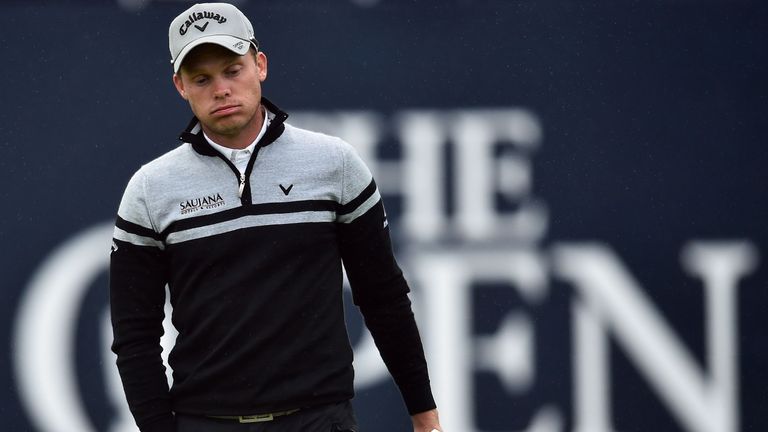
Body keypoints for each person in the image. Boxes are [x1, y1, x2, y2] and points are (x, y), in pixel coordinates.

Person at [109, 3, 442, 432]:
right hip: (206, 422)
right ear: (180, 86)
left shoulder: (334, 164)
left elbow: (383, 298)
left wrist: (425, 416)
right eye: (202, 79)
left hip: (319, 421)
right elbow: (135, 337)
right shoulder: (150, 189)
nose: (221, 89)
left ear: (260, 66)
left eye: (233, 70)